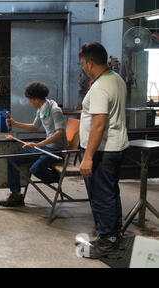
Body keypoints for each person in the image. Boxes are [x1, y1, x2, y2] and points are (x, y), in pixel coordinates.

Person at [78, 42, 129, 259]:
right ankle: (114, 235)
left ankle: (107, 240)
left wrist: (88, 158)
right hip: (116, 146)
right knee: (110, 192)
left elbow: (99, 124)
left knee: (101, 195)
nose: (82, 67)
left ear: (90, 63)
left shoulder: (99, 87)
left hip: (103, 150)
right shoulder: (115, 79)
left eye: (82, 63)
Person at [0, 82, 66, 207]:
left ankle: (57, 177)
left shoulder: (55, 110)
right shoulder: (41, 109)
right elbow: (34, 127)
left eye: (29, 100)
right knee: (13, 159)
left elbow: (60, 133)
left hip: (56, 150)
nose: (29, 102)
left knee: (35, 169)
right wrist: (15, 123)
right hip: (46, 147)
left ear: (36, 99)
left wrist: (38, 144)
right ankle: (16, 195)